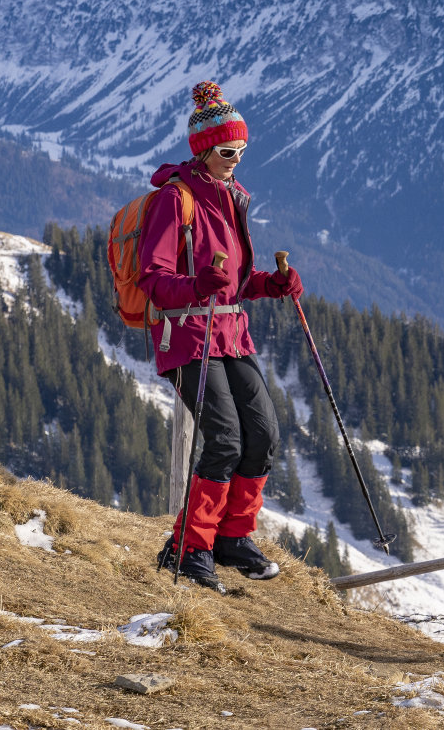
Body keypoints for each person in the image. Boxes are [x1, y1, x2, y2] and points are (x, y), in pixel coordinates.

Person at [139, 80, 303, 593]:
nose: (236, 160)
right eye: (228, 151)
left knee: (264, 435)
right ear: (204, 150)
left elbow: (231, 282)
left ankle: (232, 538)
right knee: (226, 440)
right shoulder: (174, 201)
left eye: (242, 151)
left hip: (230, 334)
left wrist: (270, 285)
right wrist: (196, 285)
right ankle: (190, 549)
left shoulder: (230, 198)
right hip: (188, 336)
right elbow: (153, 279)